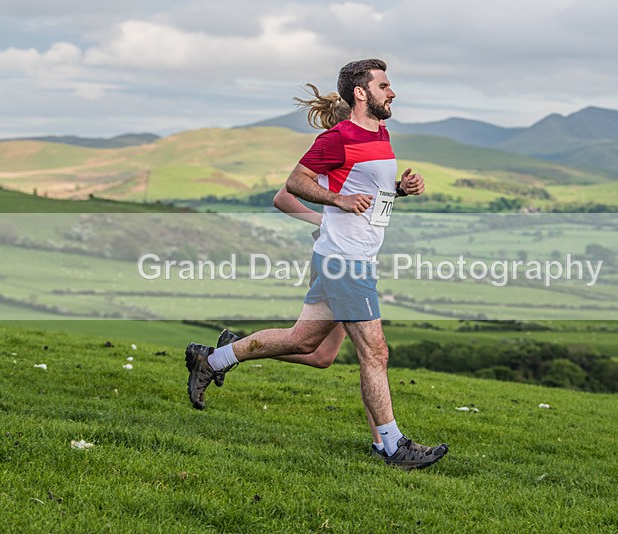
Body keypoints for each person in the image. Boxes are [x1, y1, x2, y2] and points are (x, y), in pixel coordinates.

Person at [185, 59, 448, 470]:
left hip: (353, 255)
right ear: (361, 93)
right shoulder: (338, 138)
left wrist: (400, 189)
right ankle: (392, 446)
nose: (392, 92)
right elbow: (294, 183)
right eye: (384, 86)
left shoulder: (380, 133)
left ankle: (213, 359)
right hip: (346, 260)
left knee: (305, 343)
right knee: (375, 353)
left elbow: (368, 190)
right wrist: (337, 202)